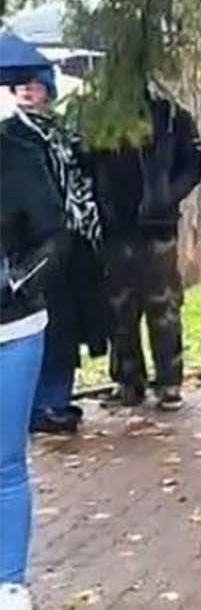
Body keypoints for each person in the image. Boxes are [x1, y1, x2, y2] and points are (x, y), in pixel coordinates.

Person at [5, 69, 107, 433]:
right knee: (41, 323)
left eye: (35, 84)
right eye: (21, 84)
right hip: (32, 245)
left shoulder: (66, 133)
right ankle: (36, 406)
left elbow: (86, 178)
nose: (28, 90)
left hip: (75, 239)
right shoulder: (10, 135)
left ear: (48, 90)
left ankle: (57, 400)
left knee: (69, 325)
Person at [91, 90, 201, 410]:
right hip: (114, 229)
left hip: (157, 227)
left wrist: (168, 195)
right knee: (119, 310)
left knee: (163, 306)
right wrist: (100, 204)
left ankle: (169, 383)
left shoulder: (170, 116)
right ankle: (128, 381)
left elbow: (194, 161)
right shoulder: (98, 115)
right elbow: (86, 164)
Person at [1, 106, 65, 610]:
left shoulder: (17, 152)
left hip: (12, 330)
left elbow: (53, 237)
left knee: (4, 462)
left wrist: (13, 284)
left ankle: (9, 584)